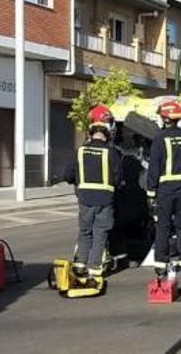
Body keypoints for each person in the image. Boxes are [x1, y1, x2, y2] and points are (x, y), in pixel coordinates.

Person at [63, 105, 121, 283]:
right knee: (100, 233)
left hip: (85, 199)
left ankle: (80, 264)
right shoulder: (112, 153)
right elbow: (118, 178)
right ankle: (95, 269)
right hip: (105, 200)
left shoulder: (80, 151)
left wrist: (79, 183)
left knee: (85, 232)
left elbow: (67, 175)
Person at [146, 100, 181, 277]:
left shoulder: (159, 139)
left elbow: (154, 167)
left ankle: (161, 265)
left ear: (165, 119)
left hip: (165, 190)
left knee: (163, 227)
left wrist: (151, 192)